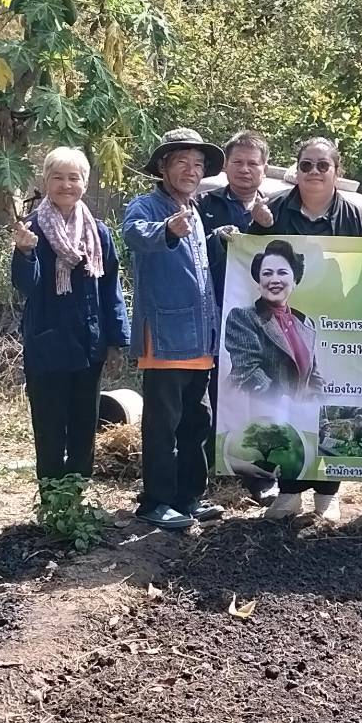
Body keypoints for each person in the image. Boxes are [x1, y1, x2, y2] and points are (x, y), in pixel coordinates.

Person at [248, 136, 362, 522]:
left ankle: (327, 494)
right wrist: (257, 228)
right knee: (288, 404)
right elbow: (246, 260)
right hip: (284, 327)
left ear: (337, 171)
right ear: (297, 170)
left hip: (338, 329)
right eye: (306, 165)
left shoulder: (360, 220)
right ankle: (289, 492)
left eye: (323, 165)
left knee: (329, 406)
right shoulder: (272, 211)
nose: (314, 172)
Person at [122, 128, 228, 531]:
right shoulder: (146, 206)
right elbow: (134, 234)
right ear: (163, 167)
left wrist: (218, 239)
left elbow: (196, 261)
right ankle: (156, 501)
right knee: (162, 425)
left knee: (196, 421)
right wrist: (166, 229)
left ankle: (189, 497)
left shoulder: (194, 210)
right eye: (182, 161)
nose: (191, 170)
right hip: (165, 336)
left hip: (200, 337)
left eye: (198, 164)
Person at [11, 147, 130, 488]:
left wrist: (115, 341)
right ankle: (52, 499)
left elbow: (110, 288)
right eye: (58, 177)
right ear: (45, 181)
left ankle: (77, 497)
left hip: (88, 345)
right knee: (49, 428)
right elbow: (25, 285)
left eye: (73, 178)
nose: (66, 185)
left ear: (85, 183)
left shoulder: (97, 232)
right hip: (46, 344)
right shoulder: (32, 228)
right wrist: (25, 252)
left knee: (83, 426)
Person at [199, 130, 279, 504]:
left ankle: (260, 476)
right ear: (226, 166)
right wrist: (219, 237)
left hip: (265, 321)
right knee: (213, 392)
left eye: (252, 163)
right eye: (238, 162)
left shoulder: (280, 209)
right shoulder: (204, 205)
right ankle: (209, 470)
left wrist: (263, 226)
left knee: (259, 392)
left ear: (264, 168)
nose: (245, 169)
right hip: (214, 313)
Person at [222, 240, 322, 396]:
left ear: (295, 281)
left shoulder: (306, 322)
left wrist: (317, 401)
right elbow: (248, 371)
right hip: (259, 406)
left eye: (282, 272)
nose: (274, 280)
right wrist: (281, 403)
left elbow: (314, 377)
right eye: (267, 273)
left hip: (299, 410)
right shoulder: (243, 317)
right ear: (259, 282)